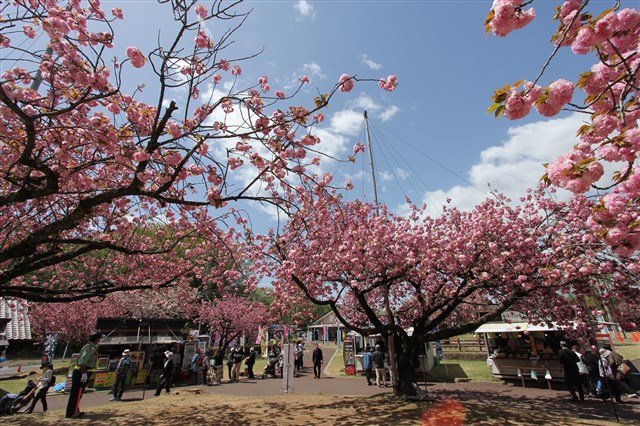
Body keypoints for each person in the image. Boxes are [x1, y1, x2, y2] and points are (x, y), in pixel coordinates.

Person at [65, 331, 102, 418]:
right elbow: (82, 362)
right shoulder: (89, 348)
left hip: (83, 372)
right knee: (76, 393)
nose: (100, 340)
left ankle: (75, 410)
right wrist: (84, 374)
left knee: (79, 393)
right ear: (96, 340)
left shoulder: (92, 347)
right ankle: (71, 413)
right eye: (99, 339)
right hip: (80, 373)